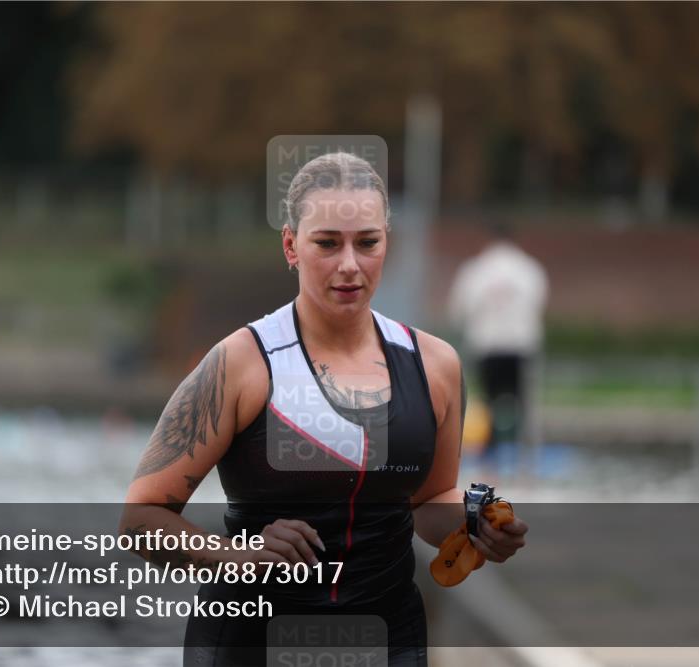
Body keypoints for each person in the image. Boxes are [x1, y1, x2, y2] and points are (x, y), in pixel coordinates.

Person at [122, 152, 528, 666]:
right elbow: (140, 518)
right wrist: (239, 557)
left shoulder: (435, 364)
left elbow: (430, 499)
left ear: (387, 243)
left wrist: (476, 526)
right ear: (291, 245)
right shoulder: (239, 364)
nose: (349, 265)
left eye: (367, 243)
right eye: (327, 243)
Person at [445, 222, 548, 453]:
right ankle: (527, 453)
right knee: (524, 403)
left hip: (486, 345)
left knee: (487, 402)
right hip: (521, 344)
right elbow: (538, 304)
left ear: (488, 240)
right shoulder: (529, 269)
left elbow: (458, 310)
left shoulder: (475, 270)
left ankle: (489, 450)